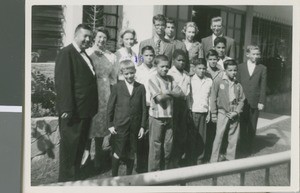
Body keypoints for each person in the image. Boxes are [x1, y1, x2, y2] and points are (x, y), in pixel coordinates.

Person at [54, 24, 98, 182]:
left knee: (79, 146)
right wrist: (66, 108)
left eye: (90, 37)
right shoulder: (66, 53)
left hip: (85, 111)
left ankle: (75, 176)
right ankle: (66, 181)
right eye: (84, 36)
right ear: (76, 35)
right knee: (70, 147)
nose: (88, 39)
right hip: (73, 111)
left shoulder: (85, 54)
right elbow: (63, 83)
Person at [83, 27, 118, 172]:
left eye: (104, 38)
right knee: (88, 126)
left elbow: (113, 78)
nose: (102, 40)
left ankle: (98, 155)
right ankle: (85, 158)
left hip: (105, 94)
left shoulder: (111, 56)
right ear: (94, 38)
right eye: (99, 37)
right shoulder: (87, 53)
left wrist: (113, 97)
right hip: (90, 90)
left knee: (100, 126)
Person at [107, 60, 147, 177]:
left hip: (135, 126)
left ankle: (129, 177)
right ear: (122, 74)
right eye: (126, 74)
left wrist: (142, 126)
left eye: (131, 73)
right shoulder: (117, 87)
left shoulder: (140, 88)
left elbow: (144, 108)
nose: (129, 76)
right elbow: (110, 107)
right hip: (120, 126)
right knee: (118, 152)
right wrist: (110, 124)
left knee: (131, 152)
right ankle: (114, 176)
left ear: (135, 72)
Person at [148, 55, 184, 171]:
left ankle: (165, 170)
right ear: (156, 66)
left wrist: (167, 92)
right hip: (157, 117)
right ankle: (154, 172)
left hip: (169, 116)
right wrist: (172, 93)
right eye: (162, 66)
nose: (165, 69)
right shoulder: (152, 79)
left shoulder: (171, 79)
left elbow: (180, 94)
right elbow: (159, 98)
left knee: (168, 146)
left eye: (167, 66)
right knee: (156, 146)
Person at [210, 59, 245, 162]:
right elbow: (213, 97)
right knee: (219, 136)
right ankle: (214, 159)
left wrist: (236, 112)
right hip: (222, 112)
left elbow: (242, 99)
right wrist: (213, 113)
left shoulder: (238, 84)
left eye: (235, 70)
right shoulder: (218, 81)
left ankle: (230, 159)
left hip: (234, 112)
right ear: (225, 70)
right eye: (230, 70)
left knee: (233, 137)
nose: (233, 72)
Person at [237, 45, 267, 157]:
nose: (256, 56)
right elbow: (238, 84)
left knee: (252, 125)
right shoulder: (240, 67)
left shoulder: (262, 68)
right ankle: (242, 146)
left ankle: (250, 148)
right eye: (253, 54)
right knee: (243, 124)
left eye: (257, 54)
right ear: (247, 54)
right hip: (242, 101)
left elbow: (263, 86)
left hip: (255, 101)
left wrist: (261, 101)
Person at [167, 50, 191, 167]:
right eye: (179, 60)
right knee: (172, 133)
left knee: (182, 133)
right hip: (173, 105)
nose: (182, 63)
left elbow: (188, 92)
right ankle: (169, 160)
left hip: (184, 106)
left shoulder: (187, 74)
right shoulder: (169, 73)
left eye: (184, 60)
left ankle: (177, 158)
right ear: (173, 60)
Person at [134, 45, 156, 173]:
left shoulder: (155, 70)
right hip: (140, 106)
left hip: (152, 106)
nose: (149, 58)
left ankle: (149, 163)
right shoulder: (138, 70)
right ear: (142, 56)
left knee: (150, 135)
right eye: (146, 55)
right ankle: (139, 164)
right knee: (140, 134)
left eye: (151, 55)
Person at [190, 58, 213, 164]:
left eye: (204, 68)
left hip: (204, 112)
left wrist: (209, 112)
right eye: (199, 68)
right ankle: (191, 158)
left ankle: (200, 158)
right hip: (193, 111)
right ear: (194, 69)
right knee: (192, 136)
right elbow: (189, 97)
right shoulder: (190, 80)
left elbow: (210, 98)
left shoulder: (209, 81)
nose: (202, 70)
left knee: (202, 136)